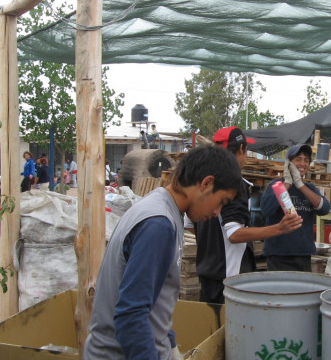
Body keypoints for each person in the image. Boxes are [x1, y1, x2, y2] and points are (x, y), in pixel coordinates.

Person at [84, 145, 243, 360]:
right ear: (207, 183)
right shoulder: (158, 224)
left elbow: (155, 299)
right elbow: (131, 315)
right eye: (221, 202)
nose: (217, 212)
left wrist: (169, 342)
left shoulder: (165, 211)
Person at [191, 127, 303, 304]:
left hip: (206, 274)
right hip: (229, 279)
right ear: (242, 149)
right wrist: (279, 228)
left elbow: (190, 224)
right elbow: (234, 234)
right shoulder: (234, 184)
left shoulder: (202, 181)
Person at [260, 143, 331, 271]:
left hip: (303, 254)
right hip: (278, 254)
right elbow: (266, 209)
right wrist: (287, 183)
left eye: (306, 160)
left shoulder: (310, 188)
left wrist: (300, 185)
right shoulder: (276, 185)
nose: (302, 164)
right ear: (288, 163)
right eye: (298, 159)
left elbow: (324, 208)